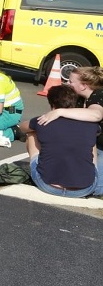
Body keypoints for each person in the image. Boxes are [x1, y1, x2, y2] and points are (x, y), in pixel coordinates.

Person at [19, 85, 100, 198]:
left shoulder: (42, 120)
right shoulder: (91, 124)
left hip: (47, 185)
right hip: (85, 188)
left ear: (51, 103)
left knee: (31, 133)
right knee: (91, 141)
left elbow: (22, 128)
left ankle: (46, 169)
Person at [35, 66, 103, 195]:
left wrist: (60, 111)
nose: (67, 84)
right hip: (93, 143)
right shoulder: (80, 99)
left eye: (71, 82)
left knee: (97, 188)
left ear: (83, 85)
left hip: (101, 146)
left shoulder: (98, 96)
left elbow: (96, 115)